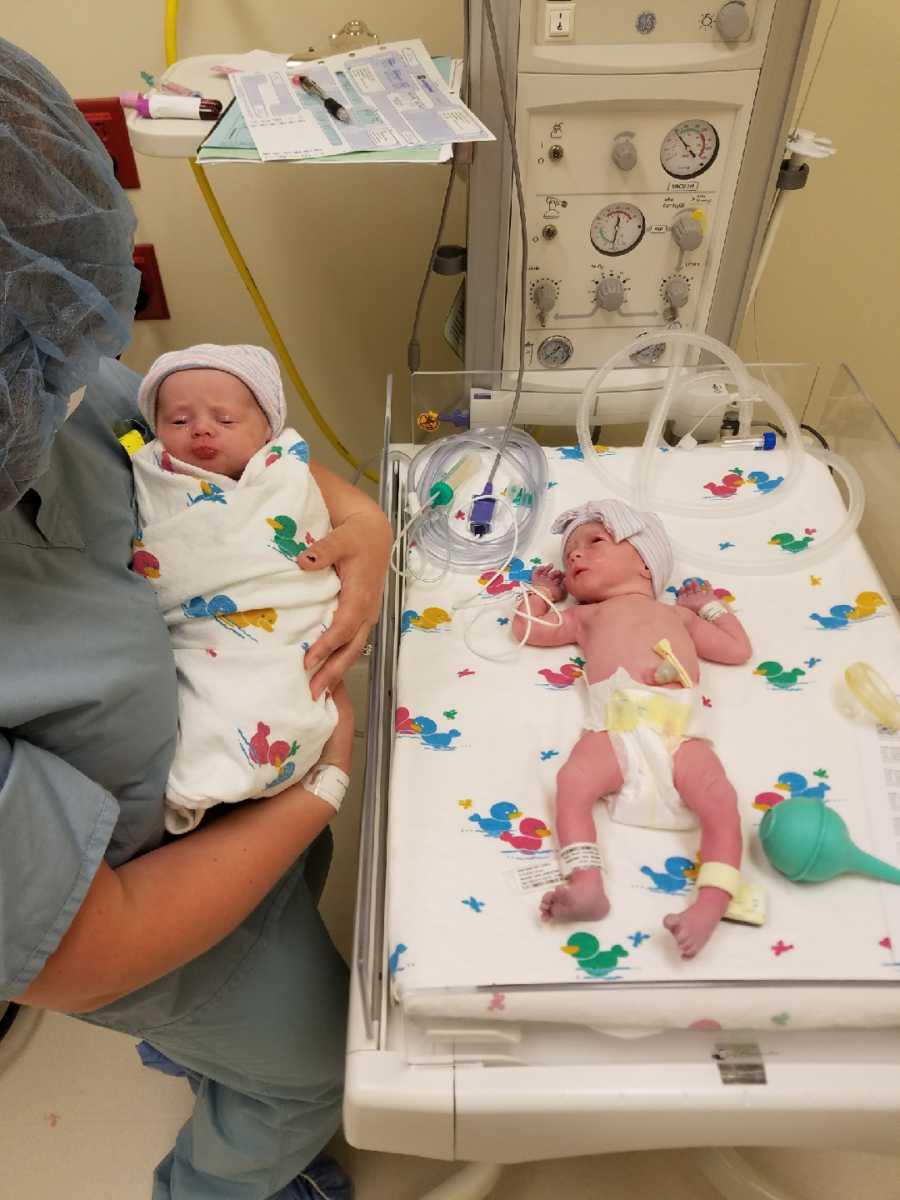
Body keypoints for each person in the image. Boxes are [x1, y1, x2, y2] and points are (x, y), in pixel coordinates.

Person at [0, 37, 391, 1200]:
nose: (87, 371)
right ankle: (226, 1175)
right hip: (123, 895)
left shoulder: (44, 387)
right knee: (315, 1067)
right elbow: (90, 948)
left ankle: (229, 1042)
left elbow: (217, 457)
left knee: (286, 934)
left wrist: (357, 521)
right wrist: (323, 781)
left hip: (229, 783)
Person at [511, 499, 752, 958]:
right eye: (569, 554)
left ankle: (711, 903)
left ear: (646, 562)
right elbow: (527, 630)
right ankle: (587, 886)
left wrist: (709, 607)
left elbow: (737, 650)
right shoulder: (587, 616)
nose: (575, 557)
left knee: (720, 801)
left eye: (594, 542)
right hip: (612, 726)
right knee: (572, 781)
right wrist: (539, 593)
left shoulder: (677, 615)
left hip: (678, 730)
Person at [132, 343, 349, 835]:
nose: (202, 430)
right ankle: (212, 773)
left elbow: (308, 544)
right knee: (214, 695)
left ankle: (249, 760)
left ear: (267, 431)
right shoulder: (156, 475)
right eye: (179, 421)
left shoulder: (284, 474)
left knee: (281, 688)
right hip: (203, 632)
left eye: (225, 420)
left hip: (280, 614)